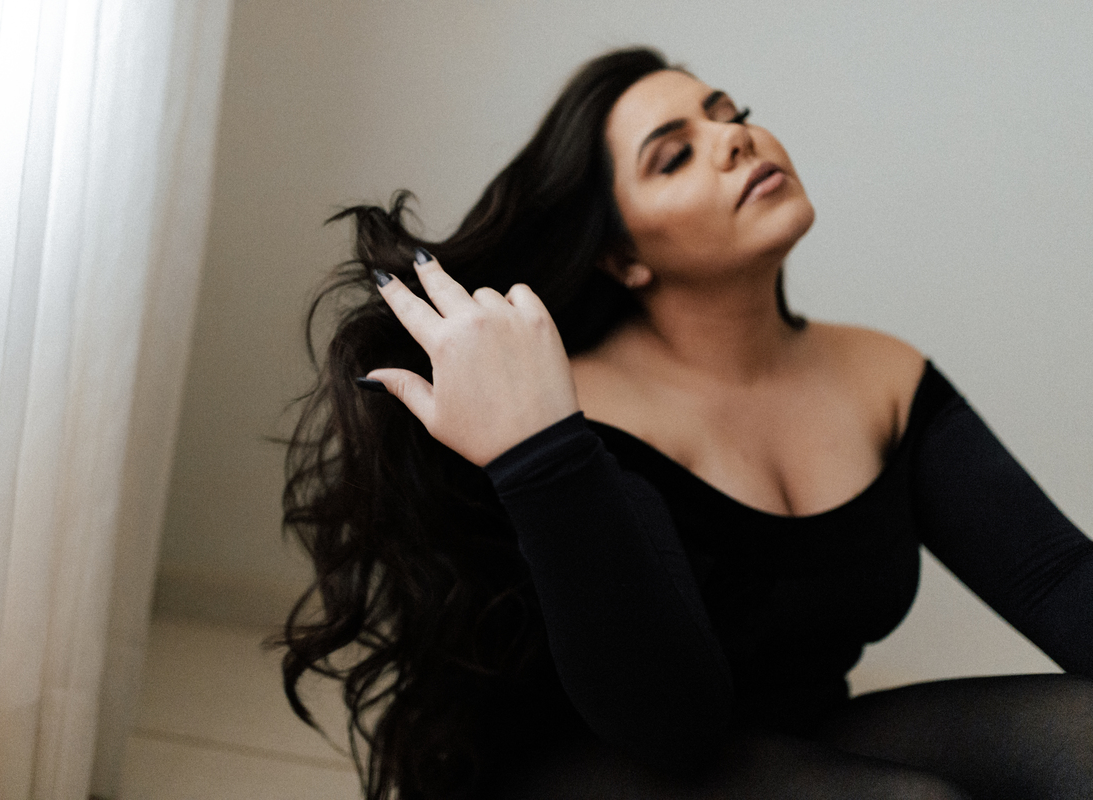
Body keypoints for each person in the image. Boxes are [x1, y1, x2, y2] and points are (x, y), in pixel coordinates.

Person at [278, 47, 1093, 800]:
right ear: (623, 257)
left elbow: (1055, 578)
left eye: (730, 114)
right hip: (602, 763)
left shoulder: (884, 375)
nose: (736, 139)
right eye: (673, 155)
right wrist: (542, 459)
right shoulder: (556, 412)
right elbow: (671, 726)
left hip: (803, 742)